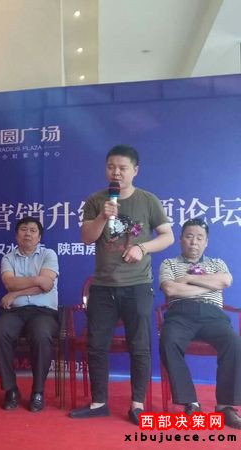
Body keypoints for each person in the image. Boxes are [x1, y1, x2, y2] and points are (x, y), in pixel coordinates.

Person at [69, 145, 174, 425]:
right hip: (103, 286)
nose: (116, 172)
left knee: (139, 345)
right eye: (111, 167)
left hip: (137, 285)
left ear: (135, 170)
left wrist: (143, 247)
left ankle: (137, 405)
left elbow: (167, 236)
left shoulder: (148, 200)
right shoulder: (96, 200)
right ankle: (98, 403)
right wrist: (103, 216)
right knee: (96, 345)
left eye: (122, 167)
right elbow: (87, 238)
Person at [159, 218, 241, 429]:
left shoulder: (217, 263)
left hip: (213, 315)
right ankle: (191, 402)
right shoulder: (169, 264)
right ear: (180, 240)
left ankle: (225, 406)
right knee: (168, 341)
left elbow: (225, 281)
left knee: (234, 342)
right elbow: (170, 289)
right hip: (180, 314)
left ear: (206, 242)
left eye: (199, 238)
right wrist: (209, 285)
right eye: (189, 236)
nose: (194, 242)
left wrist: (187, 279)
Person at [0, 217, 59, 412]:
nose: (27, 233)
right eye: (23, 229)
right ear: (16, 235)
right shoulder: (8, 258)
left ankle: (37, 391)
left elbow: (47, 285)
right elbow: (10, 283)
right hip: (16, 312)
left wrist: (16, 293)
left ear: (39, 237)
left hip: (43, 312)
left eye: (32, 230)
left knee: (41, 335)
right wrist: (37, 280)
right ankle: (11, 389)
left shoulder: (48, 254)